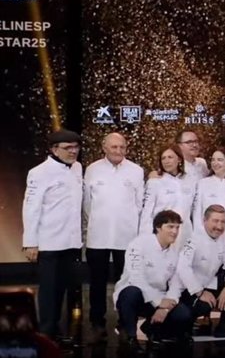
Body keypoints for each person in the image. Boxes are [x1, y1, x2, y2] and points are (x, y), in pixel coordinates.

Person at [82, 132, 144, 343]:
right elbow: (87, 205)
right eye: (114, 147)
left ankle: (125, 322)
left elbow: (140, 205)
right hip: (98, 235)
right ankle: (97, 323)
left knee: (125, 281)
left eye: (122, 147)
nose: (118, 151)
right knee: (97, 282)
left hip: (126, 237)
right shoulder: (91, 169)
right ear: (104, 147)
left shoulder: (136, 171)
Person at [22, 129, 83, 341]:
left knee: (63, 289)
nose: (73, 152)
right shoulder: (39, 172)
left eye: (76, 147)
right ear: (54, 149)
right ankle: (46, 332)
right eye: (68, 148)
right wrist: (30, 242)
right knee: (48, 290)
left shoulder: (77, 168)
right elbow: (31, 208)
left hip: (71, 242)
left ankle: (56, 329)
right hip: (49, 242)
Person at [113, 210, 192, 349]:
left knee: (183, 314)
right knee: (131, 293)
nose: (175, 231)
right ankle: (130, 336)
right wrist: (159, 304)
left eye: (177, 227)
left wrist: (165, 309)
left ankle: (151, 328)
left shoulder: (174, 253)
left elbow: (176, 284)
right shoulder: (138, 244)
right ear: (158, 227)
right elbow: (136, 277)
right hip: (136, 294)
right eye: (170, 227)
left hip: (158, 299)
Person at [175, 205, 225, 338]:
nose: (219, 226)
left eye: (223, 222)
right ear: (205, 220)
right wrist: (199, 291)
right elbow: (182, 267)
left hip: (210, 282)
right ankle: (189, 325)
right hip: (189, 289)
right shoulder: (193, 238)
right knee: (203, 306)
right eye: (215, 221)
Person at [192, 148, 225, 260]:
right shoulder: (203, 184)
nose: (215, 163)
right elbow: (197, 213)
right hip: (207, 237)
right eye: (213, 160)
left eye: (220, 160)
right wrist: (198, 237)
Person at [139, 145, 195, 248]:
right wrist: (144, 238)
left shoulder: (190, 181)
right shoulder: (155, 182)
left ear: (179, 159)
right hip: (162, 236)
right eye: (163, 158)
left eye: (170, 157)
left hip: (185, 235)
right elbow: (147, 213)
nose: (166, 161)